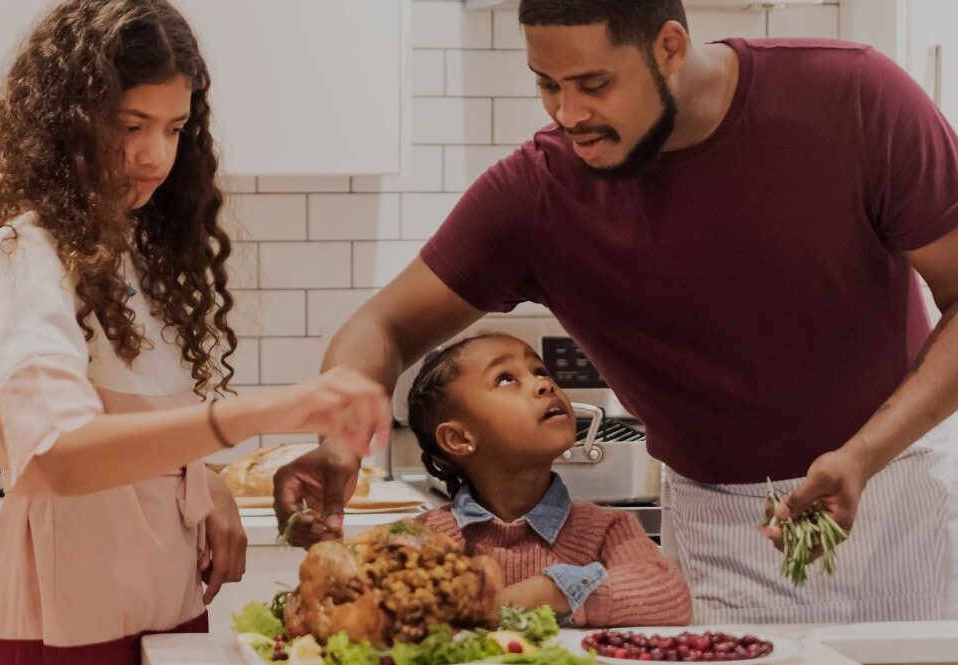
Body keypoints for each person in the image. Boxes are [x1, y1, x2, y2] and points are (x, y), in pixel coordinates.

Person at [275, 0, 958, 624]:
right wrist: (339, 436)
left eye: (594, 84)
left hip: (894, 498)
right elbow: (381, 326)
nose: (567, 114)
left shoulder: (855, 96)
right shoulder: (538, 194)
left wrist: (865, 454)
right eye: (547, 84)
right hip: (720, 533)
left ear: (669, 47)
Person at [0, 1, 389, 665]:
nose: (156, 156)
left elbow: (128, 432)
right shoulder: (24, 257)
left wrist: (203, 483)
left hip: (162, 608)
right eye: (130, 125)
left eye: (174, 128)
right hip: (66, 627)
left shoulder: (128, 255)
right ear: (65, 125)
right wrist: (269, 411)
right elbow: (58, 457)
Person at [409, 333, 692, 626]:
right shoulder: (428, 538)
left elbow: (670, 594)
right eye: (506, 379)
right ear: (458, 438)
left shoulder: (605, 530)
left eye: (540, 371)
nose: (544, 384)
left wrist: (553, 590)